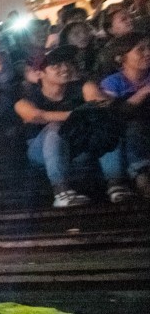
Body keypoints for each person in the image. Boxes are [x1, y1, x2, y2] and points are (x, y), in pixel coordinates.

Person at [17, 46, 132, 207]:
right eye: (56, 66)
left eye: (66, 63)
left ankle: (116, 184)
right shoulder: (29, 96)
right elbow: (36, 115)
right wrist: (81, 114)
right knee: (55, 127)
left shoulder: (82, 86)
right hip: (42, 153)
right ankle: (61, 192)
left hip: (79, 149)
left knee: (106, 124)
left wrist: (93, 106)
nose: (64, 68)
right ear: (39, 73)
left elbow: (98, 103)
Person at [99, 33, 150, 197]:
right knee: (133, 127)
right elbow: (113, 114)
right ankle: (141, 176)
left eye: (148, 48)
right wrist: (143, 92)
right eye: (140, 50)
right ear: (121, 57)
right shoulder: (113, 82)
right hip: (126, 132)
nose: (147, 53)